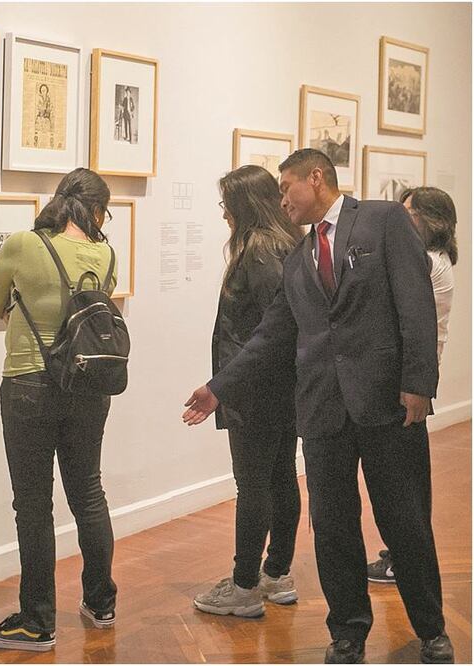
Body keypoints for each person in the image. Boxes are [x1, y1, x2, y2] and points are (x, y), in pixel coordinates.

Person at [183, 149, 453, 664]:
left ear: (316, 178)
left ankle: (432, 629)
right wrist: (220, 387)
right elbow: (270, 336)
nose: (281, 198)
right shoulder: (296, 258)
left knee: (405, 520)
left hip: (388, 405)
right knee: (332, 528)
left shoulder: (383, 220)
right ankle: (347, 632)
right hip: (323, 411)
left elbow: (415, 303)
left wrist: (419, 382)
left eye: (287, 187)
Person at [0, 168, 118, 652]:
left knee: (33, 506)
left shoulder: (24, 244)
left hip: (29, 383)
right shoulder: (104, 253)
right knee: (89, 495)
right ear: (97, 209)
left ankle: (37, 622)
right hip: (89, 386)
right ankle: (101, 602)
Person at [192, 165, 302, 618]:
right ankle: (276, 575)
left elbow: (269, 332)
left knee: (254, 484)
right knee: (279, 477)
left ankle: (244, 587)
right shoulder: (287, 243)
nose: (223, 216)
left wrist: (222, 386)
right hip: (282, 385)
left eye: (226, 206)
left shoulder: (258, 251)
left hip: (258, 389)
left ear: (243, 206)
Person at [366, 186, 459, 586]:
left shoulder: (426, 262)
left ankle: (404, 560)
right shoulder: (435, 260)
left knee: (404, 488)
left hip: (408, 384)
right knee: (408, 484)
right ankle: (402, 556)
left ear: (429, 220)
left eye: (408, 214)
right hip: (414, 380)